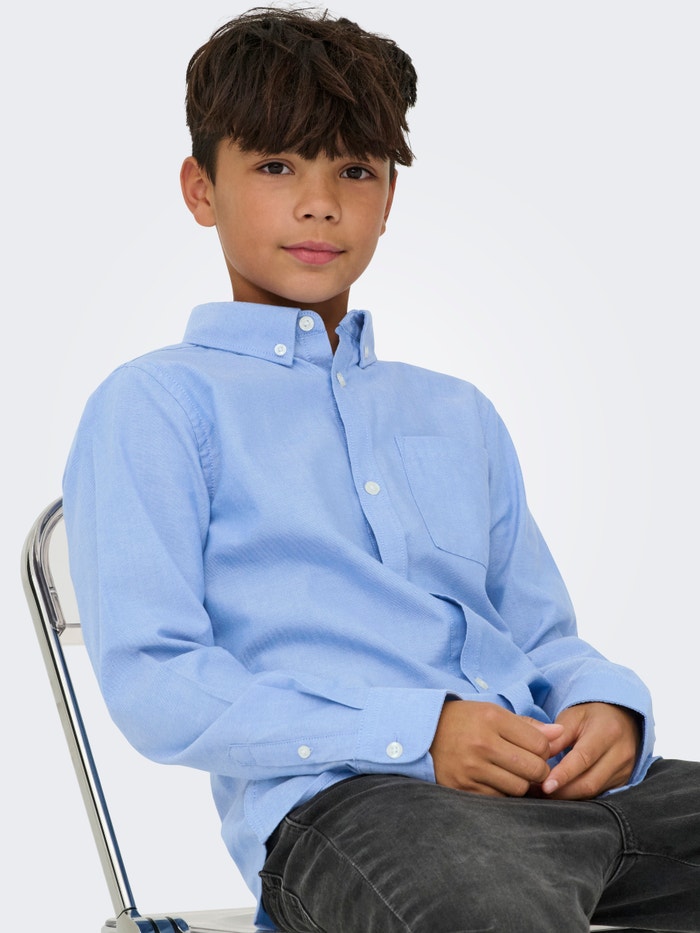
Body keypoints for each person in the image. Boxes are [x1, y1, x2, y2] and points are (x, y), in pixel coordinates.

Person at [62, 8, 700, 932]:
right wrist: (418, 731)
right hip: (351, 804)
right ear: (202, 189)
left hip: (551, 783)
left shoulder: (458, 413)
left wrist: (606, 705)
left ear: (390, 197)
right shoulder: (156, 405)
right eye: (276, 166)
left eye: (355, 170)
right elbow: (158, 682)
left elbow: (540, 637)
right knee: (477, 908)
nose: (320, 202)